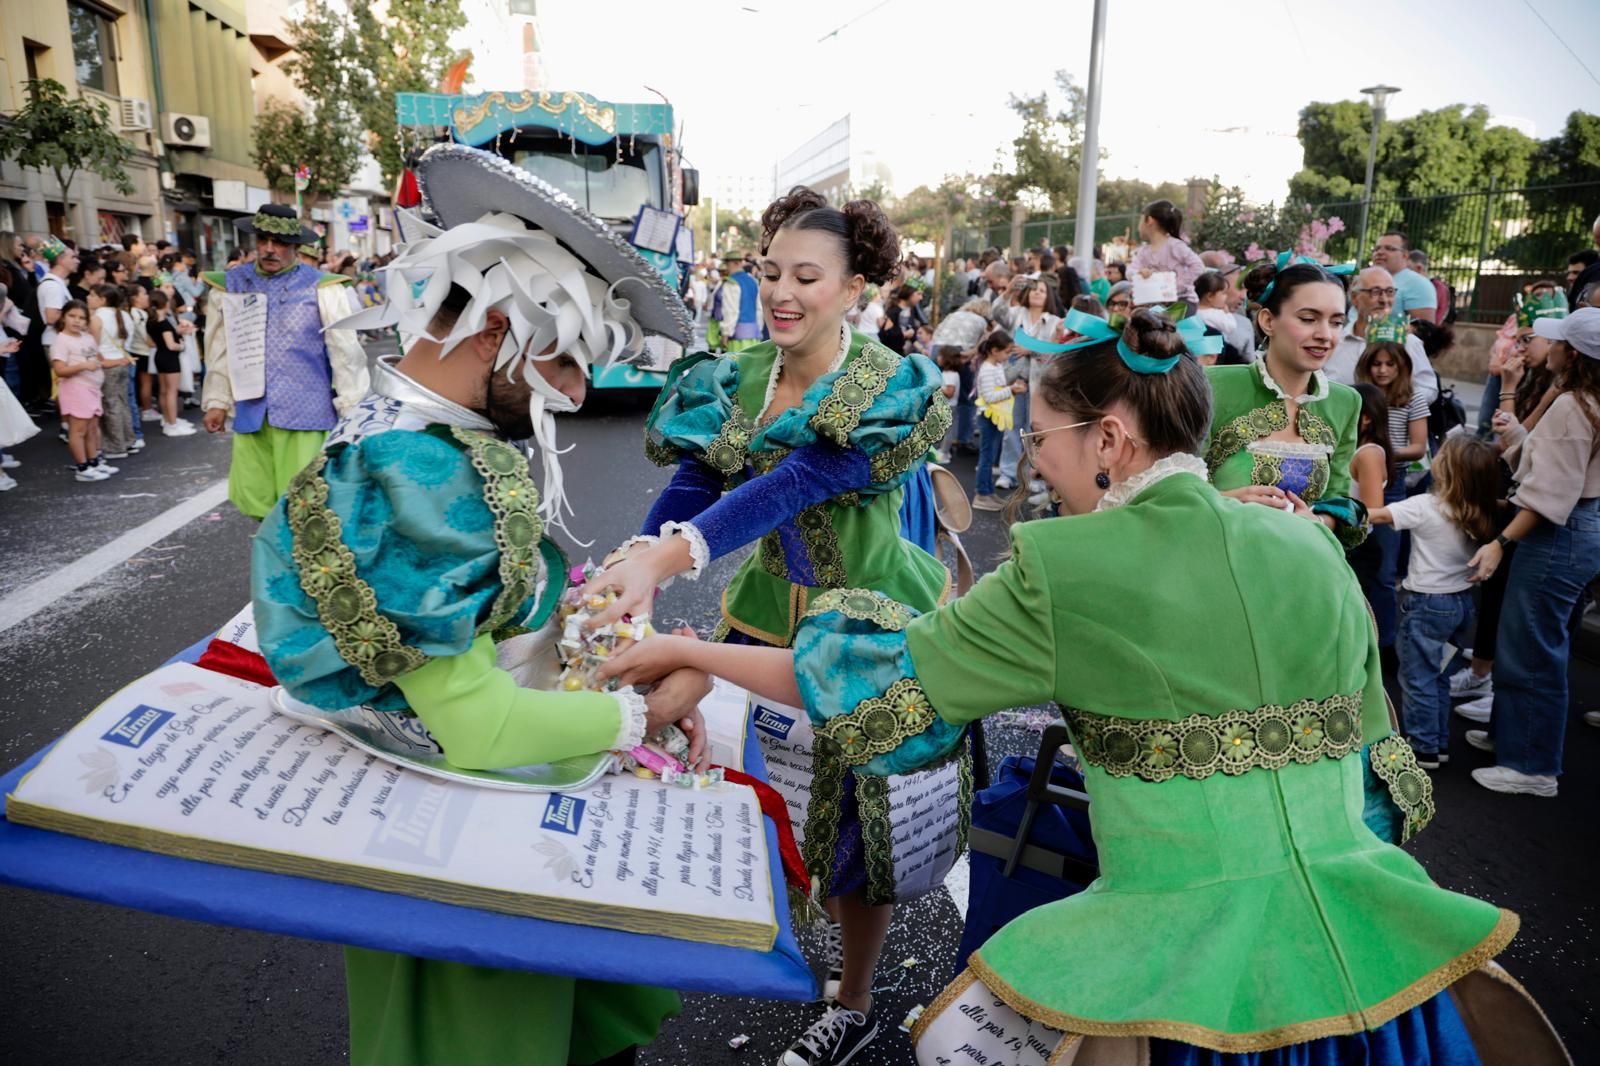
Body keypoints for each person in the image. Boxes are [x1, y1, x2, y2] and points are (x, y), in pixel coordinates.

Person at [596, 309, 1566, 1066]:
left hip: (1188, 979)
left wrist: (692, 656)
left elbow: (865, 683)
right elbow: (1381, 772)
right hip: (1385, 953)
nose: (1034, 450)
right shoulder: (1306, 542)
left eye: (1041, 425)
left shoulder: (1063, 567)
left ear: (1109, 439)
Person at [251, 143, 699, 1066]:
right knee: (487, 1030)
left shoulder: (408, 430)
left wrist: (583, 633)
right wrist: (640, 714)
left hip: (434, 803)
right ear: (499, 330)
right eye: (570, 362)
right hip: (460, 825)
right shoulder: (411, 472)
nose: (575, 394)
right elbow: (479, 731)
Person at [598, 185, 960, 1066]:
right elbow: (704, 479)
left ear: (854, 287)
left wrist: (668, 557)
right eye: (770, 274)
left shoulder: (880, 385)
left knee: (855, 826)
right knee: (760, 790)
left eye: (808, 276)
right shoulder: (742, 376)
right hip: (765, 610)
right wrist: (635, 555)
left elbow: (794, 482)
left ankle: (858, 998)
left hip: (865, 616)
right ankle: (772, 944)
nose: (783, 293)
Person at [1465, 307, 1600, 797]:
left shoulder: (1572, 405)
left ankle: (1531, 766)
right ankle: (1512, 739)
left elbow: (1550, 497)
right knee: (1533, 641)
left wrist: (1500, 543)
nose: (1550, 347)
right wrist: (1519, 435)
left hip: (1558, 536)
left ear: (1574, 353)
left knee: (1533, 649)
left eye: (1558, 341)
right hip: (1578, 531)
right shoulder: (1581, 399)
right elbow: (1557, 469)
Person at [200, 204, 369, 519]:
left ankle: (300, 560)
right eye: (263, 239)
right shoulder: (232, 284)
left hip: (306, 413)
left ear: (295, 246)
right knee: (256, 498)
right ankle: (274, 558)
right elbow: (221, 348)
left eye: (278, 242)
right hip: (253, 412)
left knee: (306, 502)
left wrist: (351, 411)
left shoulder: (324, 288)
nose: (268, 249)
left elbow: (346, 355)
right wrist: (217, 400)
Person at [1204, 258, 1368, 548]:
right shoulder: (1212, 386)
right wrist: (1225, 501)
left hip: (1302, 567)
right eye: (1308, 319)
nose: (1324, 335)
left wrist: (1318, 521)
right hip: (1219, 562)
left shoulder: (1345, 402)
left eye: (1336, 322)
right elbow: (1166, 486)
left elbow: (1339, 500)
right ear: (1268, 321)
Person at [1370, 434, 1501, 769]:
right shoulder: (1480, 509)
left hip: (1426, 607)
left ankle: (1423, 746)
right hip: (1459, 606)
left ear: (1446, 470)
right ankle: (1438, 741)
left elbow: (1378, 515)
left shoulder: (1426, 506)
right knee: (1439, 675)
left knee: (1417, 678)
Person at [1327, 266, 1440, 404]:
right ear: (1354, 298)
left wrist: (1396, 401)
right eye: (1375, 292)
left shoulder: (1407, 342)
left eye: (1390, 292)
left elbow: (1428, 388)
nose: (1384, 300)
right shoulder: (1334, 341)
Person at [50, 300, 114, 481]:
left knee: (92, 429)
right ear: (63, 317)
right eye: (72, 316)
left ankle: (93, 462)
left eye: (81, 318)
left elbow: (98, 360)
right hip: (75, 389)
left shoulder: (87, 337)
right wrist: (83, 366)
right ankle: (82, 467)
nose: (77, 321)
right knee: (78, 430)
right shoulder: (61, 341)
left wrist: (117, 361)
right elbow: (59, 370)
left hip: (93, 389)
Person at [973, 329, 1018, 511]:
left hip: (996, 416)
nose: (1008, 356)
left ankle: (989, 492)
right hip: (988, 416)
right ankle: (981, 494)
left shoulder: (997, 366)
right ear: (994, 350)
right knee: (986, 457)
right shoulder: (987, 369)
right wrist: (1012, 390)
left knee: (990, 457)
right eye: (1007, 351)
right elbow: (990, 396)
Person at [89, 284, 137, 459]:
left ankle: (116, 446)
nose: (89, 298)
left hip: (106, 365)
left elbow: (93, 345)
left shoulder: (96, 318)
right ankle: (129, 440)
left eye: (92, 295)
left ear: (102, 299)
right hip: (123, 362)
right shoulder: (124, 315)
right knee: (123, 402)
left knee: (110, 405)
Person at [1130, 200, 1206, 307]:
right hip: (1158, 303)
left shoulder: (1175, 246)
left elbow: (1198, 266)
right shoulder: (1143, 251)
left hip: (1182, 302)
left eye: (1140, 220)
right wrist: (1139, 272)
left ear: (1149, 220)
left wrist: (1177, 285)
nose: (1139, 226)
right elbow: (1130, 271)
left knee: (1165, 320)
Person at [147, 291, 194, 437]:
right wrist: (182, 346)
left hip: (159, 356)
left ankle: (167, 420)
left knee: (163, 390)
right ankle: (173, 424)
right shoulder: (164, 323)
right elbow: (171, 345)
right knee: (172, 392)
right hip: (170, 358)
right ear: (164, 303)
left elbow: (149, 342)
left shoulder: (151, 321)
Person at [1370, 232, 1436, 322]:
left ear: (1405, 255)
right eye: (1377, 249)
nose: (1380, 252)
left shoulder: (1418, 284)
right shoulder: (1365, 279)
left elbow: (1424, 330)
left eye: (1389, 248)